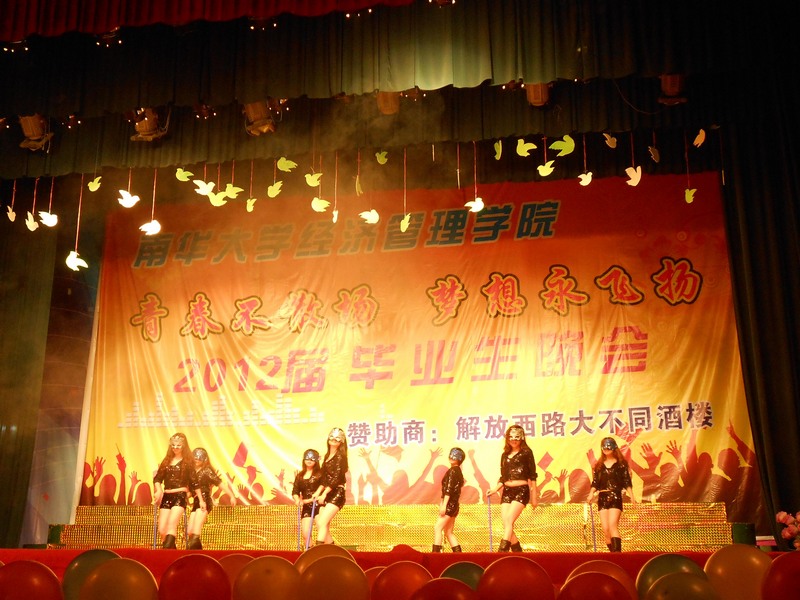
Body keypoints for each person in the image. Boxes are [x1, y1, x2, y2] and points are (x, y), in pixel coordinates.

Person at [487, 424, 538, 552]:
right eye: (511, 437)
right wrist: (495, 489)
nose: (514, 440)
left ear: (522, 437)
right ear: (507, 438)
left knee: (509, 520)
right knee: (506, 523)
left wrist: (534, 497)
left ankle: (501, 551)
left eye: (517, 437)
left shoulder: (526, 452)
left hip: (521, 490)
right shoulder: (504, 455)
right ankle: (517, 550)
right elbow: (503, 477)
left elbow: (532, 475)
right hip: (507, 491)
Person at [590, 436, 636, 552]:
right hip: (602, 497)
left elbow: (626, 480)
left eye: (608, 446)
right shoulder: (599, 466)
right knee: (606, 530)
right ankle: (613, 554)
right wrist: (591, 493)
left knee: (612, 525)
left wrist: (631, 495)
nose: (606, 449)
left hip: (615, 496)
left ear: (614, 448)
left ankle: (617, 556)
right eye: (604, 447)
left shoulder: (621, 464)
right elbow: (595, 482)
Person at [187, 447, 237, 549]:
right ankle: (198, 553)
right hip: (196, 501)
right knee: (190, 531)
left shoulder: (206, 471)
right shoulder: (191, 472)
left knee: (196, 531)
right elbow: (191, 491)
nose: (197, 460)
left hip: (205, 500)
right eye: (195, 458)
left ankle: (194, 555)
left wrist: (231, 495)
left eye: (199, 458)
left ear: (204, 459)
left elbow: (219, 483)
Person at [153, 432, 193, 549]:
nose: (175, 447)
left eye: (178, 445)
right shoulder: (166, 461)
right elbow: (157, 478)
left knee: (171, 525)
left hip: (180, 495)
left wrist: (189, 493)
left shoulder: (188, 462)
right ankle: (172, 551)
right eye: (173, 445)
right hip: (166, 496)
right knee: (162, 530)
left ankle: (165, 552)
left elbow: (194, 482)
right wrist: (158, 490)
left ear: (183, 446)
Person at [311, 427, 349, 545]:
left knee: (322, 522)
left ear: (341, 441)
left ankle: (319, 550)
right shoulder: (327, 456)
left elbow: (336, 478)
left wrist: (324, 493)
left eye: (337, 438)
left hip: (337, 492)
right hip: (327, 492)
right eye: (332, 437)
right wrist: (318, 492)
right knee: (322, 524)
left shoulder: (340, 457)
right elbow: (324, 478)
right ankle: (332, 550)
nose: (334, 439)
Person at [433, 447, 465, 552]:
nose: (451, 457)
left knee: (438, 528)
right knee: (449, 532)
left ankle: (435, 555)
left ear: (459, 459)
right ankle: (458, 555)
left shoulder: (452, 471)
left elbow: (449, 490)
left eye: (455, 456)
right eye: (451, 455)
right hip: (454, 505)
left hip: (449, 505)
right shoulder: (458, 471)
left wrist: (444, 505)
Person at [292, 448, 323, 546]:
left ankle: (326, 552)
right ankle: (310, 552)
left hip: (319, 505)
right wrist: (297, 499)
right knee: (306, 534)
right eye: (307, 458)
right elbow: (295, 491)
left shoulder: (320, 474)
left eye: (312, 459)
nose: (309, 460)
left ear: (316, 460)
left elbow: (324, 486)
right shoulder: (299, 476)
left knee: (322, 531)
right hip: (306, 507)